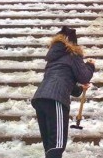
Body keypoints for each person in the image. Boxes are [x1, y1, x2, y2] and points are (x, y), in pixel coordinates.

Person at [32, 26, 95, 158]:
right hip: (56, 100)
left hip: (40, 99)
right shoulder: (73, 54)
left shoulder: (53, 58)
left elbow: (60, 79)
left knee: (50, 145)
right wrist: (90, 66)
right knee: (57, 145)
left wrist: (79, 89)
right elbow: (84, 76)